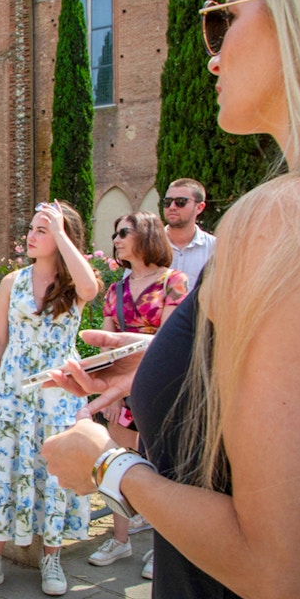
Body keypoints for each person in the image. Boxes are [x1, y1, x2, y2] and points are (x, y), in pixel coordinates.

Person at [42, 0, 300, 599]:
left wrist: (106, 467)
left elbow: (277, 571)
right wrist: (165, 357)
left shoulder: (274, 219)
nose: (211, 60)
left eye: (223, 20)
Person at [0, 200, 101, 599]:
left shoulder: (75, 283)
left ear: (60, 237)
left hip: (58, 393)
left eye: (43, 229)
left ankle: (52, 558)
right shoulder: (12, 281)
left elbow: (91, 288)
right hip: (13, 393)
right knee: (1, 469)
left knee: (55, 471)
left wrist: (60, 231)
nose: (32, 235)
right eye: (34, 228)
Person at [88, 211, 187, 570]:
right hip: (123, 391)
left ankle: (161, 551)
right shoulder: (115, 290)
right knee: (119, 462)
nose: (116, 239)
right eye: (115, 233)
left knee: (161, 468)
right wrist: (110, 395)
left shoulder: (174, 282)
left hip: (160, 385)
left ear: (146, 234)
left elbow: (172, 339)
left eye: (124, 232)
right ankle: (119, 541)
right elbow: (106, 346)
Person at [163, 178, 216, 290]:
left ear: (199, 207)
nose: (172, 207)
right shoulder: (146, 245)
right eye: (167, 202)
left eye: (180, 202)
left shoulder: (214, 248)